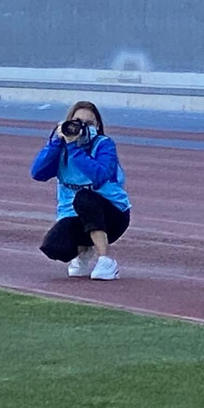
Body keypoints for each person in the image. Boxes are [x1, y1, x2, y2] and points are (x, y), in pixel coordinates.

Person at [30, 101, 130, 281]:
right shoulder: (61, 148)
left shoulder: (104, 145)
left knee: (84, 198)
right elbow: (37, 173)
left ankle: (106, 260)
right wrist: (56, 143)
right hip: (75, 215)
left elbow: (100, 176)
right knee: (53, 247)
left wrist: (74, 149)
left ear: (97, 126)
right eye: (77, 122)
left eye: (89, 123)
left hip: (113, 216)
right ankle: (84, 251)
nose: (82, 127)